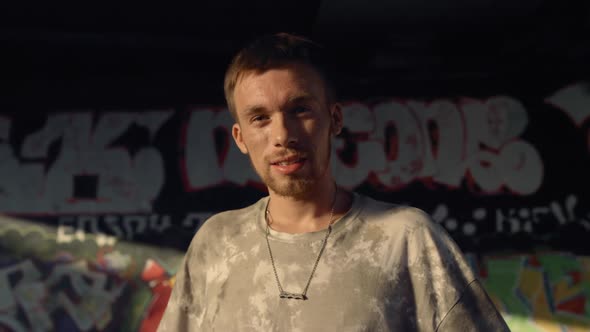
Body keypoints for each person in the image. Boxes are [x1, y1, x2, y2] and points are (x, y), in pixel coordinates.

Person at [158, 33, 510, 331]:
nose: (282, 135)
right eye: (260, 118)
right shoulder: (216, 243)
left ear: (334, 118)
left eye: (300, 110)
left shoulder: (405, 239)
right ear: (240, 138)